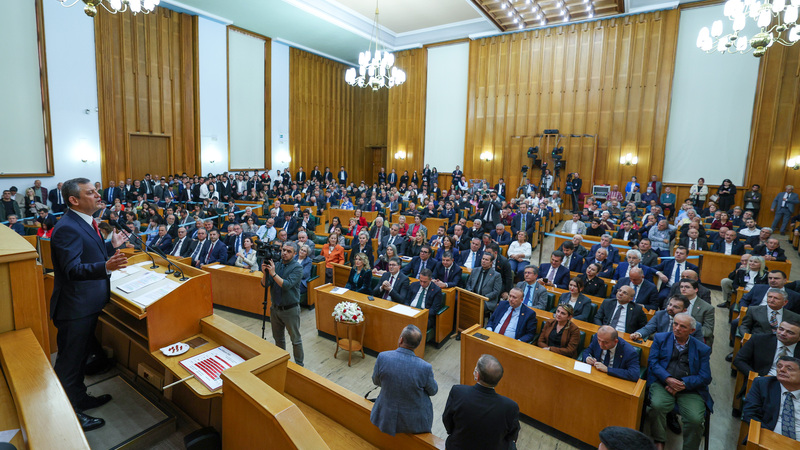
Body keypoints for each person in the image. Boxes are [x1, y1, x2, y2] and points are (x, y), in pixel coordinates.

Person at [50, 178, 129, 431]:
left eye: (97, 191)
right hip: (75, 308)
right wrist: (105, 266)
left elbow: (86, 253)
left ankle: (79, 398)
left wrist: (109, 246)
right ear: (74, 200)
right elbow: (72, 269)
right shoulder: (67, 228)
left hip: (87, 304)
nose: (98, 195)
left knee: (80, 357)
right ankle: (69, 416)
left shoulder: (85, 222)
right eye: (91, 192)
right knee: (69, 363)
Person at [647, 313, 712, 450]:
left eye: (682, 326)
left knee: (695, 419)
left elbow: (705, 377)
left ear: (692, 331)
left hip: (690, 389)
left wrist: (683, 384)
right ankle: (659, 440)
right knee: (657, 406)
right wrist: (668, 379)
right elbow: (653, 363)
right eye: (675, 324)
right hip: (663, 383)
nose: (677, 328)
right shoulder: (660, 338)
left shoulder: (702, 349)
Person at [370, 325, 437, 436]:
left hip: (385, 415)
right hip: (413, 421)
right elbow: (433, 391)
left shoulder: (383, 357)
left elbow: (376, 381)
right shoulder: (425, 367)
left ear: (401, 339)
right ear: (417, 345)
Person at [442, 354, 520, 449]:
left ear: (477, 375)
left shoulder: (458, 392)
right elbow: (512, 434)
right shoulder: (510, 406)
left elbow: (447, 419)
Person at [261, 242, 304, 366]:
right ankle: (282, 362)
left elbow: (286, 285)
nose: (284, 253)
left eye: (289, 251)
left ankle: (300, 365)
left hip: (290, 309)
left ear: (295, 254)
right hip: (275, 308)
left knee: (295, 340)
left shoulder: (297, 267)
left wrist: (273, 273)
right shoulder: (277, 265)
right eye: (283, 250)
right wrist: (265, 273)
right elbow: (265, 284)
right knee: (278, 339)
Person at [742, 355, 800, 442]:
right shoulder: (762, 384)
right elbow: (750, 414)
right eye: (779, 366)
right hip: (767, 439)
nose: (782, 370)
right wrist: (771, 438)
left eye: (789, 368)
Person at [631, 295, 704, 342]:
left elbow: (699, 346)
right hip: (660, 346)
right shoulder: (660, 315)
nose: (670, 308)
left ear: (684, 310)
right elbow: (648, 328)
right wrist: (638, 334)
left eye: (676, 307)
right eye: (670, 304)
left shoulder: (694, 325)